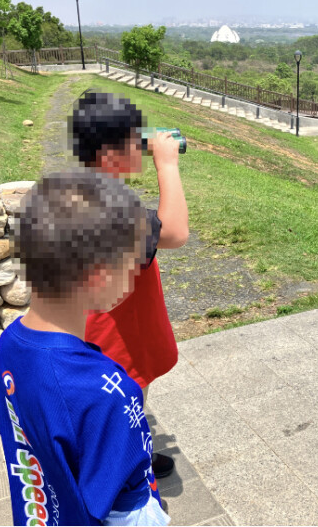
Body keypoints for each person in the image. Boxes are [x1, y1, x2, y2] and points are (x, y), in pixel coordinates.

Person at [0, 171, 170, 526]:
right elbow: (130, 508)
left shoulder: (8, 345)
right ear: (100, 278)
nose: (137, 274)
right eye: (133, 265)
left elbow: (18, 437)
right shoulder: (109, 390)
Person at [68, 91, 188, 478]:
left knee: (124, 407)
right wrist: (166, 164)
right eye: (134, 140)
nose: (142, 146)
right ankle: (120, 477)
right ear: (108, 155)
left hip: (104, 332)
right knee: (120, 406)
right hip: (114, 343)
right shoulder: (108, 209)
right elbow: (174, 233)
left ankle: (132, 454)